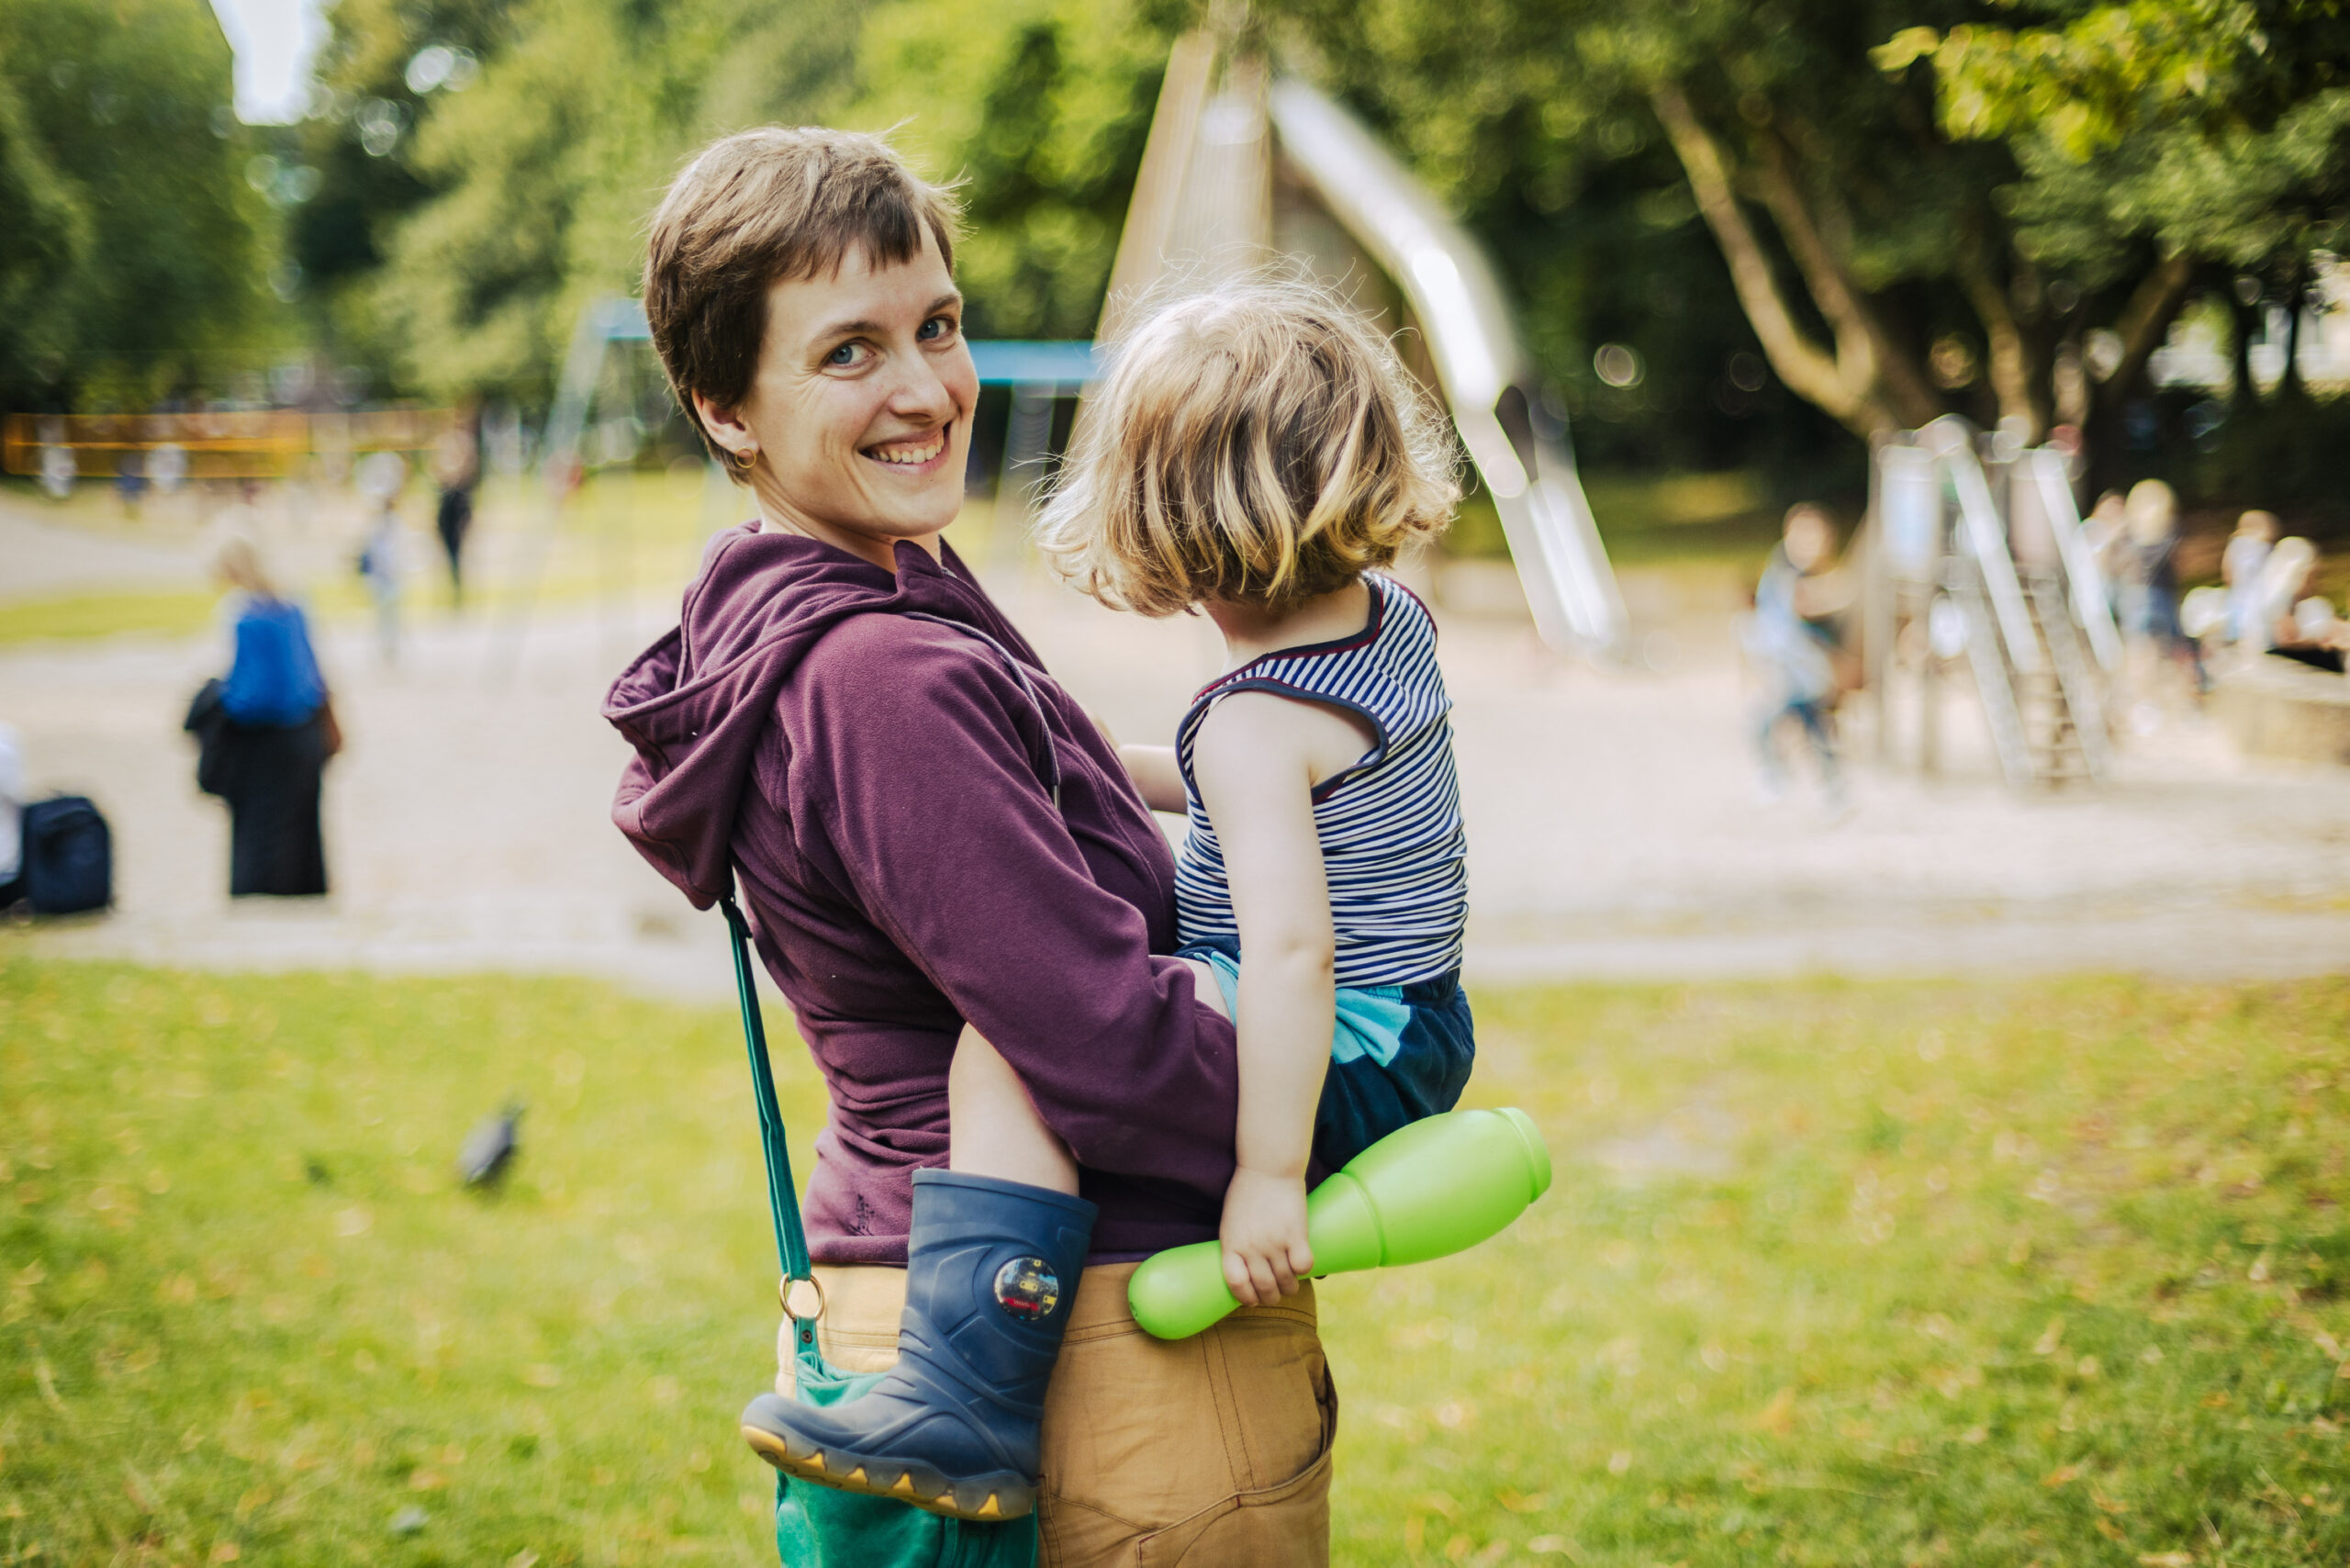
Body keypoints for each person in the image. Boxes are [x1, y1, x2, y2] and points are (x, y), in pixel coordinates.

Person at [604, 128, 1335, 1562]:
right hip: (1086, 1336)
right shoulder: (879, 676)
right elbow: (1106, 1047)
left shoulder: (812, 599)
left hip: (931, 1284)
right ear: (726, 408)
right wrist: (1332, 1102)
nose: (926, 389)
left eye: (937, 325)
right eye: (847, 353)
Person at [738, 280, 1477, 1517]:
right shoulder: (1389, 623)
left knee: (1006, 1054)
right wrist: (1076, 764)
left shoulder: (1251, 724)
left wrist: (1269, 1174)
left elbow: (1292, 950)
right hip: (1417, 1019)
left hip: (1344, 1042)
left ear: (1172, 527)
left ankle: (966, 1394)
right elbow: (1268, 795)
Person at [191, 539, 333, 896]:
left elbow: (251, 695)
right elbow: (311, 676)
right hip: (304, 732)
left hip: (266, 738)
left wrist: (217, 696)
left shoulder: (246, 616)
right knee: (302, 834)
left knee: (261, 836)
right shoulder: (294, 604)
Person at [1744, 503, 1846, 813]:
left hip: (1805, 677)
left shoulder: (1817, 581)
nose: (1807, 546)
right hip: (1787, 671)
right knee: (1778, 725)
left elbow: (1815, 612)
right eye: (1801, 538)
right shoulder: (1782, 572)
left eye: (1814, 539)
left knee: (1796, 726)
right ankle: (1807, 781)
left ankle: (1819, 784)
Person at [431, 411, 480, 606]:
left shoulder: (465, 444)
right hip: (448, 496)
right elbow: (437, 470)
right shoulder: (448, 443)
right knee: (446, 542)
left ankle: (458, 589)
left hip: (459, 496)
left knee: (457, 546)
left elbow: (468, 472)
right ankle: (452, 586)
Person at [2222, 510, 2278, 646]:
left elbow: (2227, 568)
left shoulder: (2236, 543)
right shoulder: (2265, 546)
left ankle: (2239, 640)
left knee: (2238, 615)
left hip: (2239, 587)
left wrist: (2230, 582)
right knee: (2257, 618)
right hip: (2258, 589)